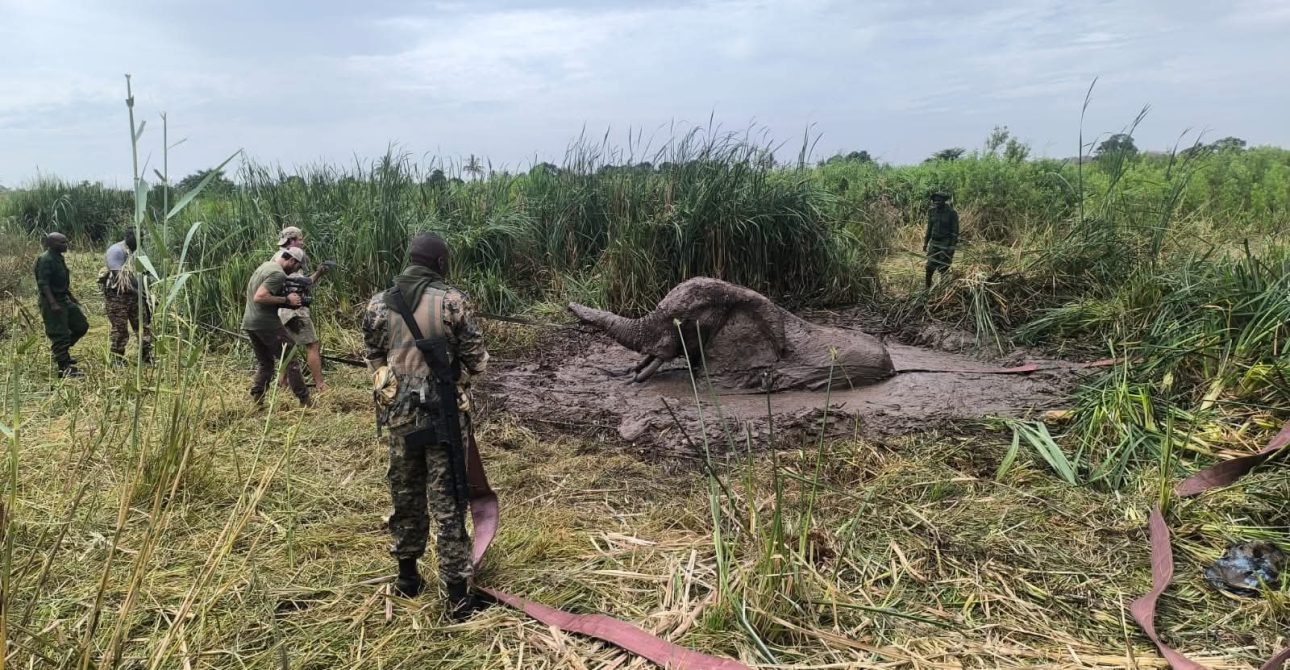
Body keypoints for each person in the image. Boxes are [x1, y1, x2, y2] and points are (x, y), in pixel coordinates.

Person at [362, 233, 489, 618]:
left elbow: (372, 354)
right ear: (439, 263)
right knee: (448, 497)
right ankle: (457, 595)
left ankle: (407, 578)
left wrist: (397, 380)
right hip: (443, 413)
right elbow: (478, 361)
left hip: (398, 415)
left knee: (404, 492)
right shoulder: (452, 301)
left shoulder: (379, 303)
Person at [241, 246, 311, 407]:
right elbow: (260, 297)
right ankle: (305, 401)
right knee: (290, 359)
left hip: (250, 322)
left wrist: (284, 301)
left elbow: (256, 295)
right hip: (266, 323)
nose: (296, 271)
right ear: (292, 260)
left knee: (266, 363)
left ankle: (257, 400)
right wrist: (287, 300)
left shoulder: (265, 266)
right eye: (297, 267)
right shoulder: (278, 274)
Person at [275, 226, 332, 392]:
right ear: (291, 241)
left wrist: (319, 272)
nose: (302, 242)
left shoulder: (280, 257)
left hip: (283, 311)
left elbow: (303, 281)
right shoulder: (289, 259)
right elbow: (299, 283)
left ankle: (282, 383)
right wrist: (318, 273)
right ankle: (320, 384)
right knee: (312, 345)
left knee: (288, 348)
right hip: (295, 311)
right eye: (300, 239)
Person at [34, 232, 88, 377]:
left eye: (66, 242)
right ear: (51, 244)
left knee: (81, 325)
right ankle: (64, 368)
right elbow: (43, 284)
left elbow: (60, 282)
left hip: (63, 298)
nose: (66, 245)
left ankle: (61, 353)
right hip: (52, 301)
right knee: (60, 334)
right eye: (62, 243)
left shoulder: (58, 258)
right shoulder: (45, 259)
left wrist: (71, 296)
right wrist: (53, 303)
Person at [100, 228, 153, 364]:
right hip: (118, 297)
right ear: (128, 236)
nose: (141, 240)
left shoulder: (135, 253)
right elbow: (120, 279)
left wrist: (146, 294)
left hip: (134, 296)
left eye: (142, 237)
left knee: (143, 326)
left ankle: (146, 356)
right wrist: (141, 294)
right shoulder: (117, 250)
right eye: (138, 237)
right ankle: (117, 359)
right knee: (120, 329)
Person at [923, 191, 960, 289]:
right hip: (934, 243)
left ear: (944, 201)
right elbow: (929, 228)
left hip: (946, 243)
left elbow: (955, 232)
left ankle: (943, 291)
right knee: (929, 267)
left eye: (939, 200)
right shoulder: (931, 212)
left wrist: (952, 247)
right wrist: (925, 243)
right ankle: (927, 289)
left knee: (943, 268)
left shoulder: (952, 213)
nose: (936, 202)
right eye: (935, 201)